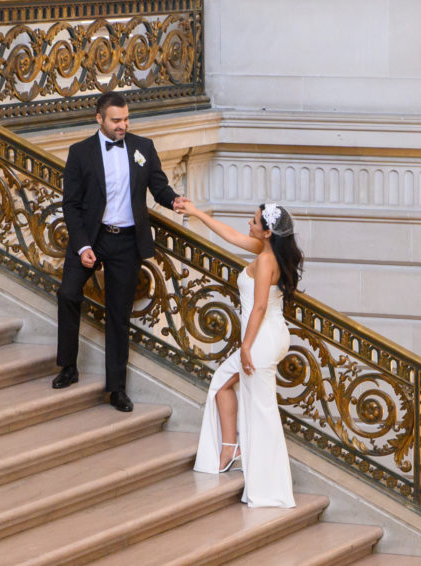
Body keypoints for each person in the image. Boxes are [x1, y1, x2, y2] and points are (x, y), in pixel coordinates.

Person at [54, 91, 189, 412]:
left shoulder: (143, 148)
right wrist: (84, 245)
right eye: (116, 120)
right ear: (99, 118)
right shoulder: (80, 153)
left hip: (127, 241)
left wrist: (173, 200)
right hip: (92, 237)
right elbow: (71, 205)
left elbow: (158, 186)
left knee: (118, 315)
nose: (123, 125)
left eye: (126, 119)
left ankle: (116, 389)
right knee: (68, 294)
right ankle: (68, 366)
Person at [184, 201, 303, 508]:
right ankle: (230, 450)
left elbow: (260, 306)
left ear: (267, 231)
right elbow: (231, 236)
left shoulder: (265, 260)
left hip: (261, 340)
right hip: (271, 335)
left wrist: (246, 346)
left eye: (253, 221)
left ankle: (270, 490)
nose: (248, 224)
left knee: (262, 412)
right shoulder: (266, 250)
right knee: (223, 384)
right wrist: (197, 212)